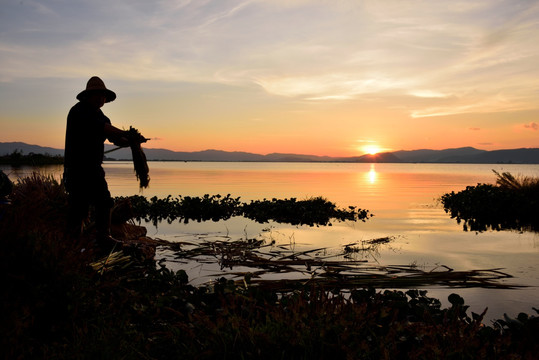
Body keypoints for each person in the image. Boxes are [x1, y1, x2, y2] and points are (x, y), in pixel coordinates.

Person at [64, 76, 138, 246]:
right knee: (79, 207)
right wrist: (126, 133)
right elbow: (104, 129)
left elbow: (114, 137)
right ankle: (71, 243)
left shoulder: (101, 116)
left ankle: (103, 236)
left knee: (104, 201)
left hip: (94, 168)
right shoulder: (79, 111)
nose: (100, 98)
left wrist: (130, 142)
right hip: (77, 168)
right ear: (88, 96)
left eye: (103, 96)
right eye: (97, 94)